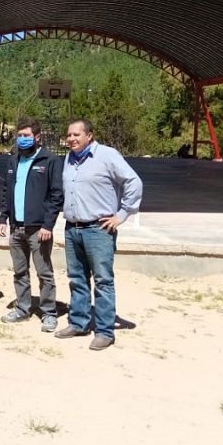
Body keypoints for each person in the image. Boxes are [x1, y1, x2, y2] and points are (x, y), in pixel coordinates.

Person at [55, 118, 143, 351]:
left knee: (103, 281)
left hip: (98, 229)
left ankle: (105, 331)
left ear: (89, 136)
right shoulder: (69, 158)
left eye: (76, 135)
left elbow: (133, 182)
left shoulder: (107, 155)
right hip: (72, 228)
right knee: (77, 279)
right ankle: (79, 322)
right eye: (69, 135)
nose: (71, 139)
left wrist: (122, 214)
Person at [0, 117, 64, 332]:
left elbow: (56, 195)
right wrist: (3, 218)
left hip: (38, 229)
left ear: (37, 137)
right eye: (19, 136)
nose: (22, 139)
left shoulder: (49, 160)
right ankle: (23, 308)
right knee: (19, 271)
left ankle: (49, 313)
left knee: (44, 273)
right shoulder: (14, 160)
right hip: (16, 227)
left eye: (27, 136)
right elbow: (7, 191)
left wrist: (48, 225)